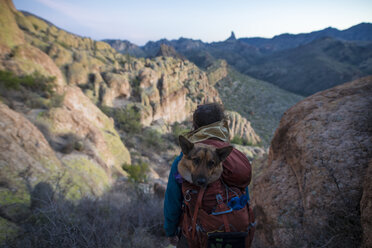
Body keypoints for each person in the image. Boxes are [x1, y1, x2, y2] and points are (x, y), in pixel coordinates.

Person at [163, 103, 254, 248]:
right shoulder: (231, 158)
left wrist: (170, 231)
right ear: (222, 124)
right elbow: (245, 195)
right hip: (235, 235)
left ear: (195, 126)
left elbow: (172, 202)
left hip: (195, 236)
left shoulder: (183, 159)